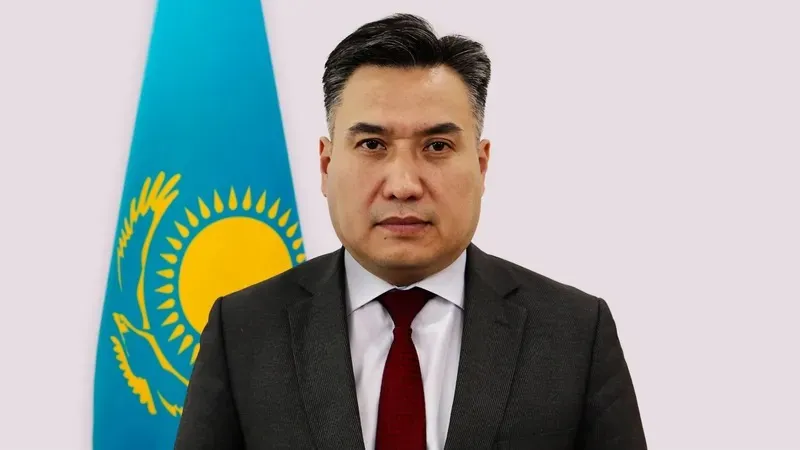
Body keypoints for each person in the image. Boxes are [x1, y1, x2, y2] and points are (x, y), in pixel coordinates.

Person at [174, 13, 647, 450]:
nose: (403, 185)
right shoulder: (244, 331)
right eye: (372, 144)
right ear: (326, 164)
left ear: (481, 164)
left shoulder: (574, 333)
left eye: (437, 146)